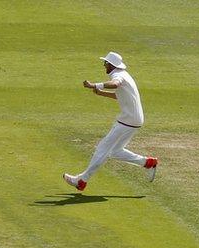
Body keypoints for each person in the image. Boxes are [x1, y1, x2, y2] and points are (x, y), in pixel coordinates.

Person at [63, 52, 158, 191]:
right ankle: (148, 162)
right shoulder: (125, 75)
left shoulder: (118, 76)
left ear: (112, 65)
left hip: (127, 120)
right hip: (134, 120)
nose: (104, 65)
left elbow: (115, 84)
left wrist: (95, 85)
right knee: (115, 151)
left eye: (106, 63)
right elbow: (121, 96)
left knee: (102, 149)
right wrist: (101, 93)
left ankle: (81, 180)